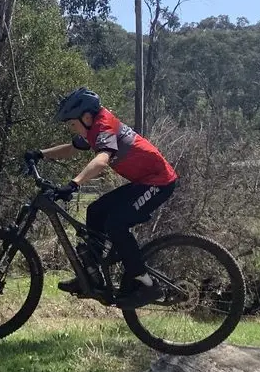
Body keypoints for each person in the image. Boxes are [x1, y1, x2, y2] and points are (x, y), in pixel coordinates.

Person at [27, 88, 177, 309]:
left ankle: (147, 285)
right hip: (143, 181)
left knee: (116, 224)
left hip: (159, 181)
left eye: (72, 123)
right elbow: (71, 149)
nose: (71, 127)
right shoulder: (92, 128)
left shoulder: (104, 126)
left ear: (86, 116)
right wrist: (40, 153)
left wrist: (74, 184)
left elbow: (101, 161)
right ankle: (92, 275)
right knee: (95, 211)